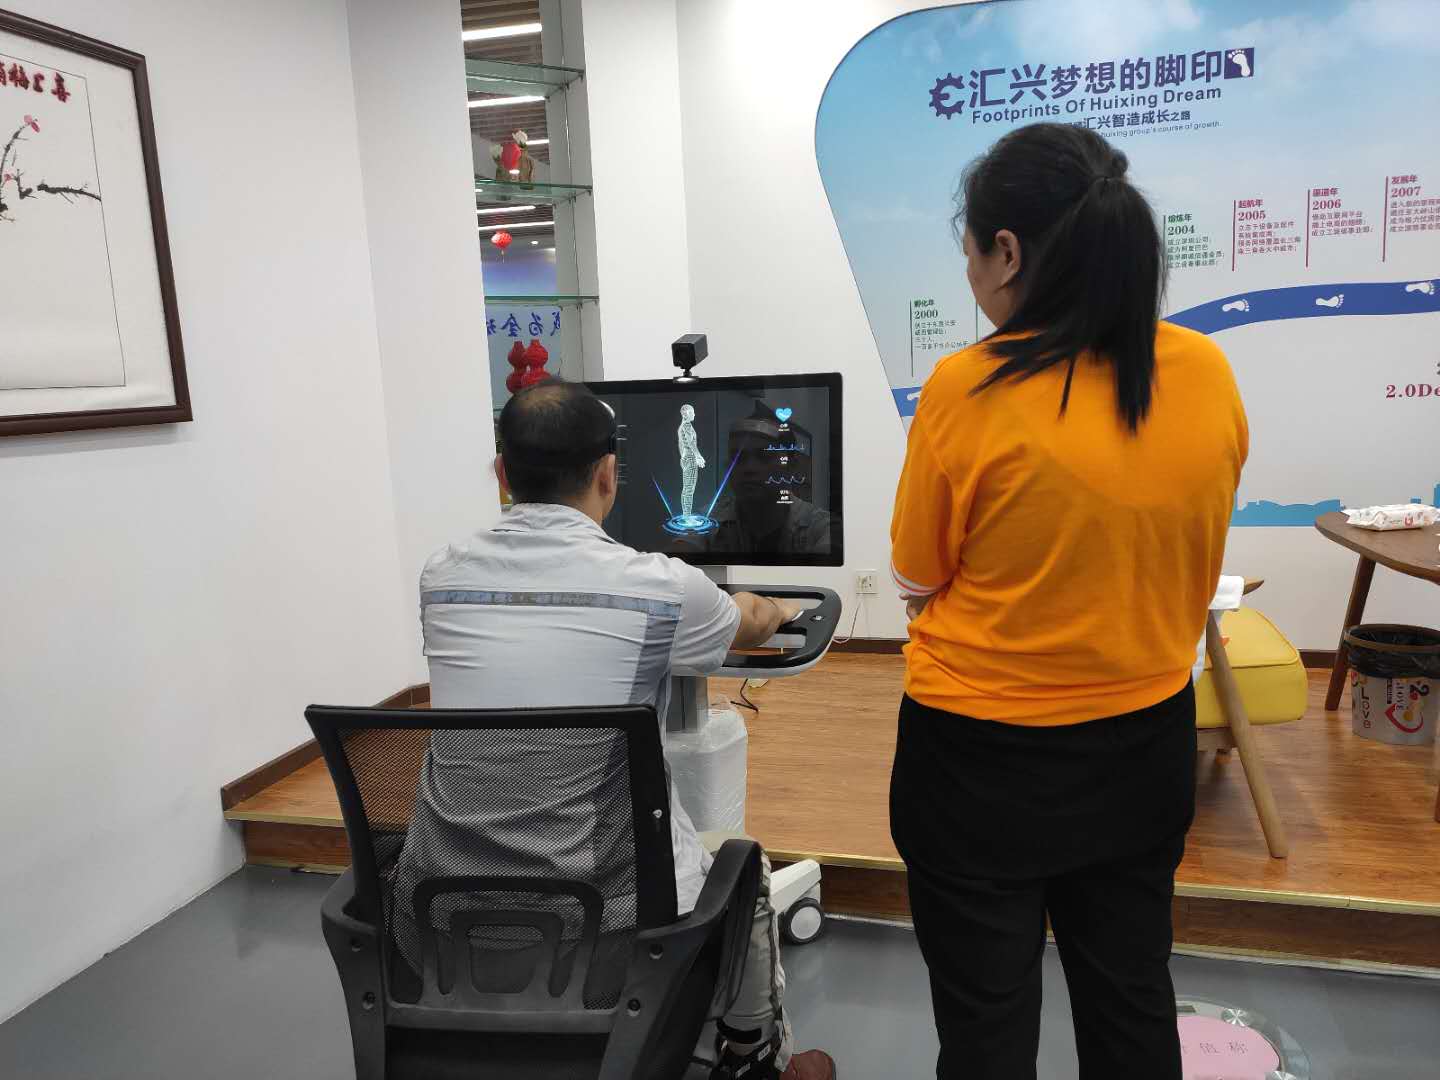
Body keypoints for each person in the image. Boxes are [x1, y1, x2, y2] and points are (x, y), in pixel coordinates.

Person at [888, 122, 1247, 1080]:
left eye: (970, 249)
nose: (970, 271)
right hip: (1144, 749)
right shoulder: (1204, 371)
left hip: (977, 767)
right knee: (1132, 1005)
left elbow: (919, 579)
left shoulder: (966, 388)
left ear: (1007, 252)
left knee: (987, 1027)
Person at [393, 380, 836, 1080]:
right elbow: (748, 624)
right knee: (743, 867)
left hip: (438, 904)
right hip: (601, 912)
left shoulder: (439, 576)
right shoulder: (661, 588)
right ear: (608, 474)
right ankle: (755, 1057)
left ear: (503, 475)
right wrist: (776, 608)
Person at [709, 409, 834, 557]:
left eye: (764, 456)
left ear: (791, 466)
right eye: (738, 458)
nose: (749, 468)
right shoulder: (707, 522)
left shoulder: (823, 528)